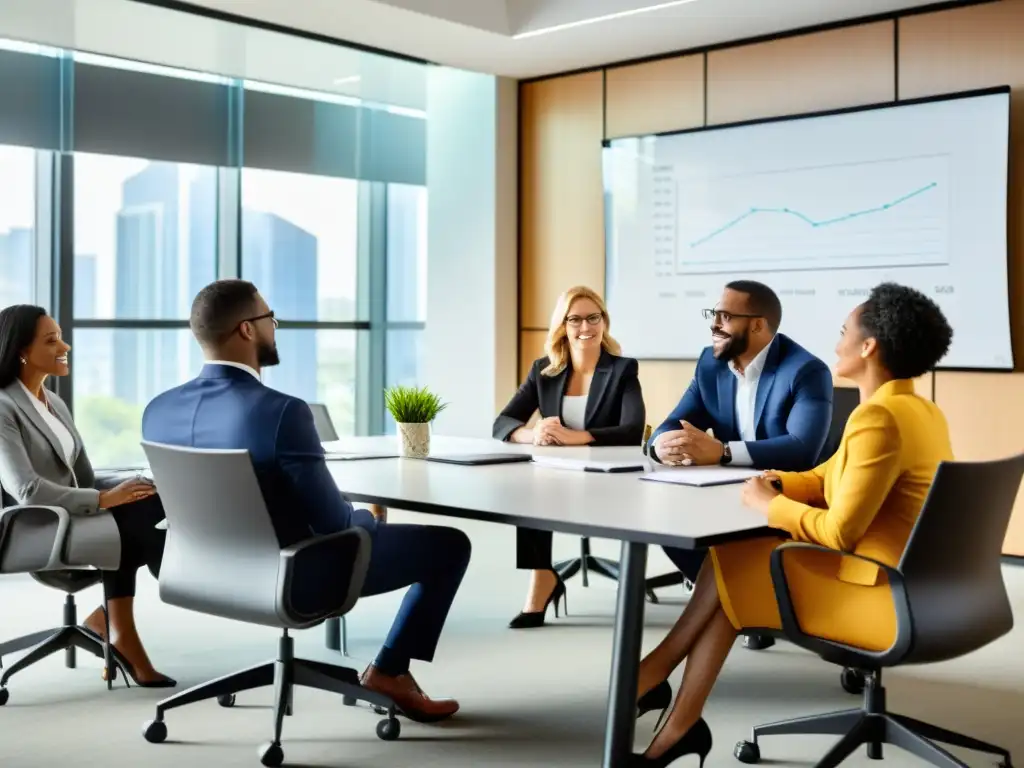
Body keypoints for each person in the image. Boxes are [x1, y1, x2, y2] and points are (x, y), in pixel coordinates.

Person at [629, 283, 954, 767]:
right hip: (926, 587)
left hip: (884, 598)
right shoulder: (917, 409)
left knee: (737, 558)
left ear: (869, 347)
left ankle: (655, 681)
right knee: (736, 561)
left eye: (845, 331)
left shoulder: (879, 419)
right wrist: (773, 482)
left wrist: (770, 507)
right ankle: (674, 718)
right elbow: (827, 475)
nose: (837, 339)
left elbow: (841, 533)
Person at [142, 280, 471, 723]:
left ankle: (390, 672)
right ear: (246, 330)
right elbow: (334, 523)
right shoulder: (282, 412)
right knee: (449, 545)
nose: (274, 328)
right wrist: (368, 519)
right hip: (291, 575)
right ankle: (389, 673)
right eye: (269, 319)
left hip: (198, 570)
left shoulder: (158, 410)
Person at [650, 280, 832, 647]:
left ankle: (747, 608)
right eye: (714, 314)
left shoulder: (805, 371)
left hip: (786, 493)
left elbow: (802, 450)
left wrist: (723, 453)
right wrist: (662, 447)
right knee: (667, 518)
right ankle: (743, 607)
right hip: (727, 490)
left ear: (758, 325)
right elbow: (673, 423)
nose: (714, 324)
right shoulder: (710, 364)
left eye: (725, 316)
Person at [0, 305, 173, 687]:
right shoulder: (3, 407)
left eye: (61, 335)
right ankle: (131, 612)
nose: (66, 345)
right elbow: (26, 490)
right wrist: (106, 501)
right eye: (51, 340)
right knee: (139, 523)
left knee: (153, 501)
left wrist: (137, 484)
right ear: (21, 351)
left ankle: (113, 624)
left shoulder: (53, 403)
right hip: (37, 526)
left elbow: (87, 477)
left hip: (74, 518)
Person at [493, 286, 645, 629]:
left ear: (604, 322)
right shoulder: (544, 370)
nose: (585, 327)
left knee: (538, 486)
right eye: (574, 319)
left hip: (609, 477)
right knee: (529, 487)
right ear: (563, 326)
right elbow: (502, 423)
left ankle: (547, 582)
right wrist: (535, 434)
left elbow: (633, 429)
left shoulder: (622, 370)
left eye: (593, 317)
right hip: (557, 475)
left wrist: (577, 437)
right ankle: (542, 577)